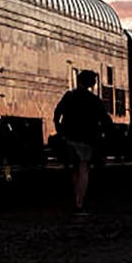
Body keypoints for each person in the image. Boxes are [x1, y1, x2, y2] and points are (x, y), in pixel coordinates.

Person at [53, 69, 112, 214]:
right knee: (84, 169)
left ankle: (75, 197)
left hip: (69, 138)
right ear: (92, 84)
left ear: (79, 80)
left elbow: (57, 112)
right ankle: (79, 203)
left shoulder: (69, 96)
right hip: (86, 139)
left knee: (74, 168)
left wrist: (59, 128)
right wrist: (107, 134)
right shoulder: (94, 100)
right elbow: (105, 120)